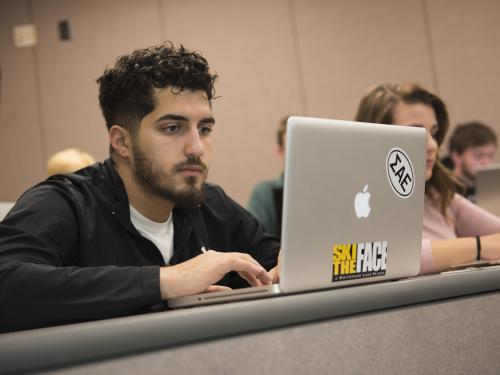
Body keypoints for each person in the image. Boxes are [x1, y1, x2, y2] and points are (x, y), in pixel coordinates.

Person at [0, 42, 280, 333]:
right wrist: (166, 281)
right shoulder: (65, 202)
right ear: (121, 142)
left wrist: (290, 264)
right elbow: (6, 283)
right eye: (172, 128)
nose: (197, 147)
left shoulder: (211, 205)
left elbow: (277, 260)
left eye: (205, 129)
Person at [355, 83, 500, 275]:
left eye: (433, 133)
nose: (432, 145)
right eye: (416, 132)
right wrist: (479, 247)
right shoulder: (360, 203)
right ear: (376, 136)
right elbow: (384, 258)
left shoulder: (438, 196)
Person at [247, 116, 289, 237]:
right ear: (280, 152)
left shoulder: (330, 192)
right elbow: (257, 248)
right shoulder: (264, 194)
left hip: (334, 256)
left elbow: (345, 244)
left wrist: (340, 256)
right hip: (282, 256)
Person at [441, 121, 497, 202]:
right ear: (457, 156)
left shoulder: (491, 187)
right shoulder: (442, 190)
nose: (487, 163)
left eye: (490, 156)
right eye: (479, 156)